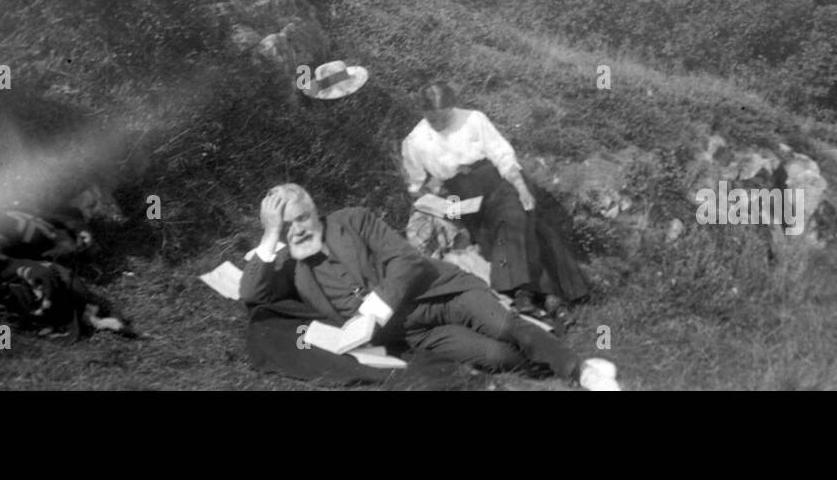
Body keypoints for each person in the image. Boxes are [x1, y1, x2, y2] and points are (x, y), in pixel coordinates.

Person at [238, 184, 620, 390]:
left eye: (301, 218)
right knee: (497, 356)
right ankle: (545, 364)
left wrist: (372, 312)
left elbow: (406, 260)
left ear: (314, 210)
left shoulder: (351, 220)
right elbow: (252, 296)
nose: (298, 229)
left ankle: (580, 370)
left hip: (441, 291)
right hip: (415, 333)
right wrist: (270, 237)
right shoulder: (288, 261)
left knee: (504, 326)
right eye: (286, 226)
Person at [400, 82, 588, 321]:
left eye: (444, 117)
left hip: (498, 182)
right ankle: (553, 300)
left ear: (453, 108)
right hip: (461, 197)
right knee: (513, 236)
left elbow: (501, 154)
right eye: (432, 119)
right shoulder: (414, 141)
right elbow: (416, 185)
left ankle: (522, 294)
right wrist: (440, 202)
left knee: (512, 219)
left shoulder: (474, 120)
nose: (439, 124)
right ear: (423, 112)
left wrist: (521, 187)